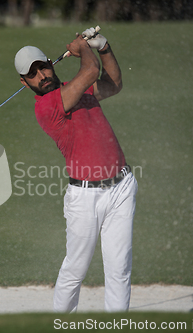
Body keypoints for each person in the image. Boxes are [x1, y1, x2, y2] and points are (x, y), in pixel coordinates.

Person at [14, 27, 138, 312]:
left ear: (50, 63)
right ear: (24, 82)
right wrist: (83, 48)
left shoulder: (76, 88)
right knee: (75, 271)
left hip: (121, 187)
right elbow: (91, 70)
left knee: (120, 270)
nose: (42, 76)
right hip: (85, 199)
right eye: (32, 74)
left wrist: (103, 47)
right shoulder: (46, 108)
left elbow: (114, 83)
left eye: (43, 67)